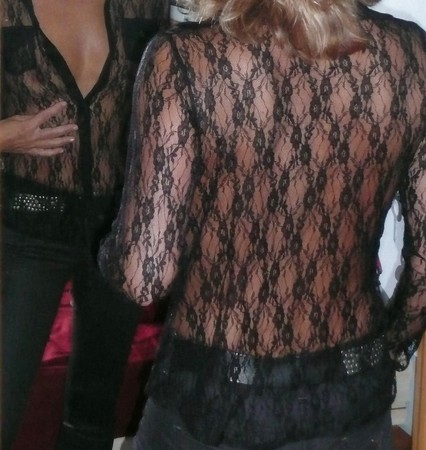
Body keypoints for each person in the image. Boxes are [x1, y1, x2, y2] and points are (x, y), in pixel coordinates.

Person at [98, 0, 426, 448]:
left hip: (212, 395)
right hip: (349, 391)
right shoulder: (409, 55)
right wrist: (387, 347)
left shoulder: (184, 59)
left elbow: (142, 277)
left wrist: (105, 244)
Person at [0, 1, 171, 449]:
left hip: (119, 227)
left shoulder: (143, 4)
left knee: (92, 419)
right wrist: (5, 136)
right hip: (30, 230)